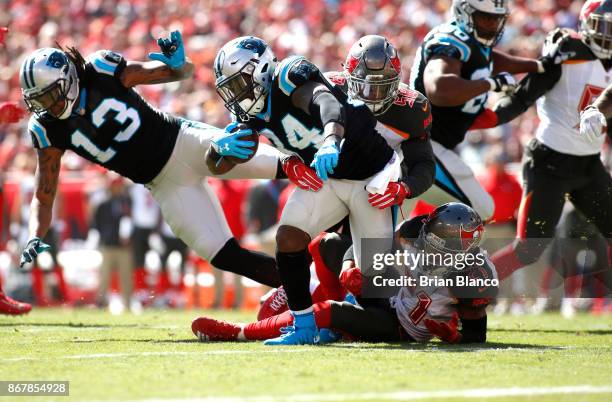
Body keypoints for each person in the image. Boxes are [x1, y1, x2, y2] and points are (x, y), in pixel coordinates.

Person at [17, 30, 298, 291]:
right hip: (164, 184)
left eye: (50, 96)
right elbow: (44, 195)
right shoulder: (46, 128)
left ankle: (336, 203)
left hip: (184, 142)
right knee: (222, 254)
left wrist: (178, 62)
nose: (46, 107)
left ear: (67, 79)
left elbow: (181, 72)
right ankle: (304, 291)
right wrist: (34, 234)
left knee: (287, 165)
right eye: (38, 102)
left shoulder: (100, 70)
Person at [212, 36, 433, 345]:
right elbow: (220, 165)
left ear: (260, 69)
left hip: (372, 180)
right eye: (232, 87)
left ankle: (370, 315)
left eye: (240, 83)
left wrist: (332, 139)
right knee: (289, 236)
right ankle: (303, 325)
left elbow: (325, 101)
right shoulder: (249, 112)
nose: (238, 93)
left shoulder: (291, 75)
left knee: (372, 289)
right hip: (327, 177)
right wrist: (217, 149)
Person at [192, 203, 496, 344]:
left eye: (436, 244)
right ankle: (324, 305)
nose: (426, 245)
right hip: (389, 294)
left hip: (399, 326)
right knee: (328, 244)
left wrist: (454, 338)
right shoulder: (417, 229)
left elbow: (476, 337)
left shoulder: (473, 276)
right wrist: (351, 264)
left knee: (327, 312)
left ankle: (237, 332)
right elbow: (371, 246)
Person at [473, 1, 612, 281]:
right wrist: (481, 119)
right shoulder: (569, 53)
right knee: (528, 249)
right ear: (587, 24)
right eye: (605, 26)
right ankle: (465, 288)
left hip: (588, 165)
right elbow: (522, 97)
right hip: (549, 162)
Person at [409, 0, 569, 221]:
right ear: (464, 12)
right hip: (420, 146)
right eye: (485, 18)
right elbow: (439, 89)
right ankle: (416, 244)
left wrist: (535, 65)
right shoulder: (450, 41)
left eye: (497, 19)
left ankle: (409, 241)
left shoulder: (471, 43)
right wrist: (490, 84)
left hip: (430, 145)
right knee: (478, 211)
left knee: (387, 228)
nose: (492, 25)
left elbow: (488, 61)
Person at [324, 35, 436, 213]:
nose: (373, 95)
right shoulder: (329, 88)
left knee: (372, 241)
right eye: (366, 86)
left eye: (381, 86)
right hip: (330, 179)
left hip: (376, 188)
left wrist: (404, 188)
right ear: (348, 78)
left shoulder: (412, 109)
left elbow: (423, 164)